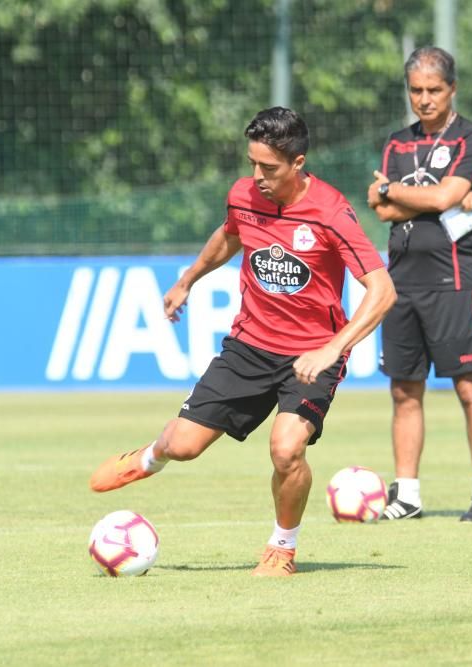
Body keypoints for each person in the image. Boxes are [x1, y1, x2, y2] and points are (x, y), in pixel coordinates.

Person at [90, 107, 396, 576]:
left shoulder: (332, 213)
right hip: (247, 347)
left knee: (287, 448)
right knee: (184, 444)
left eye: (268, 168)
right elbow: (230, 235)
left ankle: (282, 548)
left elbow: (382, 289)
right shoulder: (243, 195)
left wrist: (334, 348)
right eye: (252, 164)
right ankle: (149, 458)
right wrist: (188, 279)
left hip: (311, 356)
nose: (257, 177)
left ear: (298, 162)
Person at [367, 46, 472, 522]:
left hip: (453, 279)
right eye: (416, 90)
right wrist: (432, 200)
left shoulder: (471, 138)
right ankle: (407, 495)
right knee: (404, 391)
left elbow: (443, 193)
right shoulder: (397, 143)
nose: (424, 99)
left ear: (452, 89)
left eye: (434, 90)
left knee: (469, 388)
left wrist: (394, 191)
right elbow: (380, 210)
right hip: (400, 281)